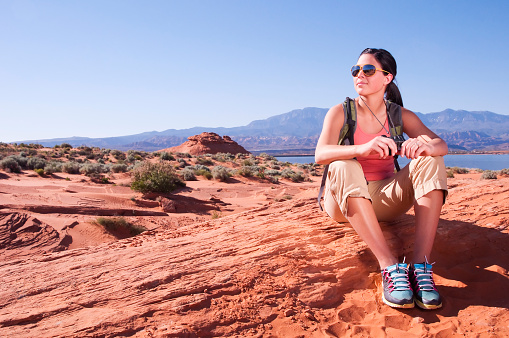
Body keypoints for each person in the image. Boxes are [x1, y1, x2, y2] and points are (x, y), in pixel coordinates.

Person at [315, 48, 448, 310]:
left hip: (385, 200)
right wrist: (360, 150)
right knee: (344, 165)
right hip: (344, 203)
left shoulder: (400, 115)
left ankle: (420, 268)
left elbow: (440, 144)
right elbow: (321, 154)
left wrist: (423, 147)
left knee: (431, 160)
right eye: (356, 70)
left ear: (388, 77)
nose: (359, 75)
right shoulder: (341, 112)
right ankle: (389, 266)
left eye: (368, 70)